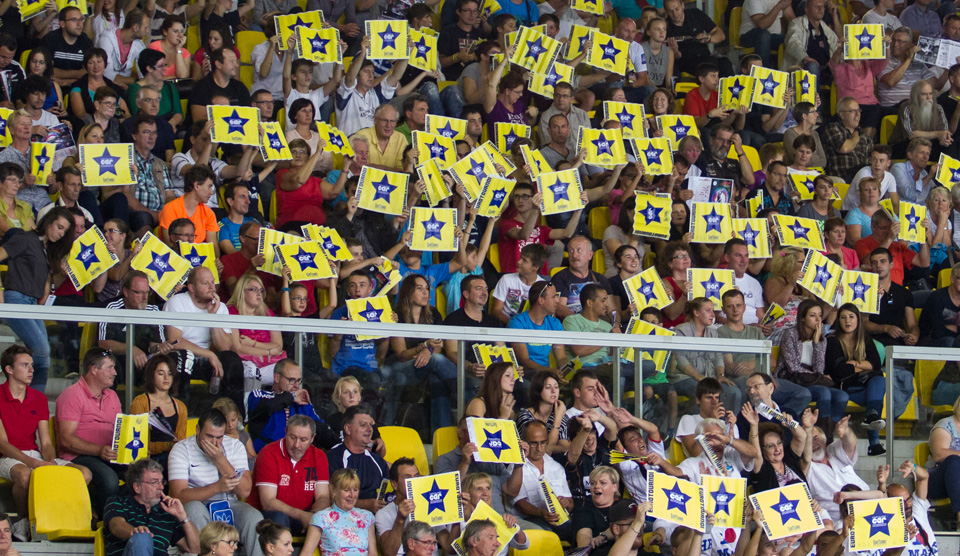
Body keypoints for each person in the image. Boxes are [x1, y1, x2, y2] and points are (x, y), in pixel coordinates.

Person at [0, 345, 91, 530]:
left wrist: (50, 461)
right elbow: (2, 444)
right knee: (25, 476)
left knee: (84, 473)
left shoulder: (39, 398)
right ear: (9, 370)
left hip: (34, 455)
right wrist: (33, 464)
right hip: (6, 457)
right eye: (25, 365)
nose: (32, 370)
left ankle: (62, 520)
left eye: (32, 365)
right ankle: (25, 522)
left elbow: (47, 442)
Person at [168, 408, 264, 556]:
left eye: (219, 437)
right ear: (198, 429)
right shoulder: (182, 449)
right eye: (209, 436)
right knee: (194, 509)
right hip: (199, 504)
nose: (214, 442)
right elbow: (178, 495)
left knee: (254, 518)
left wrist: (220, 460)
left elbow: (244, 490)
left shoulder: (235, 446)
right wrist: (217, 488)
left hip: (229, 505)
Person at [0, 207, 74, 394]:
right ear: (48, 222)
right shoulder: (25, 239)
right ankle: (33, 402)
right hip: (16, 300)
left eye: (64, 231)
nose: (61, 233)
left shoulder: (45, 249)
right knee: (41, 352)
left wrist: (62, 275)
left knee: (44, 356)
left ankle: (33, 402)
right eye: (59, 227)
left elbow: (47, 287)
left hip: (32, 304)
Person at [385, 274, 459, 429]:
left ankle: (439, 434)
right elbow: (402, 355)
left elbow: (437, 346)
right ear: (408, 291)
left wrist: (429, 350)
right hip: (399, 368)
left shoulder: (433, 314)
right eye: (420, 289)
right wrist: (424, 347)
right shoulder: (395, 315)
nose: (426, 293)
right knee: (436, 361)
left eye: (427, 288)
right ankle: (465, 391)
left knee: (437, 378)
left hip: (425, 366)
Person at [55, 349, 122, 517]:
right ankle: (108, 525)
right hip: (79, 456)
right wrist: (99, 450)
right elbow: (66, 440)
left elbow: (120, 431)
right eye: (110, 367)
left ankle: (126, 518)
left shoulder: (112, 396)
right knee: (109, 479)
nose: (114, 373)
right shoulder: (72, 395)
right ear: (94, 369)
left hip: (109, 454)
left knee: (144, 473)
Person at [247, 415, 331, 536]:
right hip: (270, 515)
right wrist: (301, 515)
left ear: (312, 438)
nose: (297, 445)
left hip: (304, 514)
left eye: (303, 440)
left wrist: (312, 516)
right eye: (292, 437)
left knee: (327, 519)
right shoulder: (269, 453)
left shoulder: (319, 456)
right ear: (286, 432)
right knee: (279, 519)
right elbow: (268, 502)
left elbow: (323, 496)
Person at [775, 299, 850, 429]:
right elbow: (792, 368)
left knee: (842, 395)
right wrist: (819, 377)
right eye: (812, 315)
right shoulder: (790, 334)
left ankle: (831, 430)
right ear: (803, 318)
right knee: (824, 392)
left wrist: (817, 343)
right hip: (792, 379)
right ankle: (824, 434)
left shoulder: (821, 339)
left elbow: (819, 369)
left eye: (820, 315)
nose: (818, 319)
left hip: (811, 380)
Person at [103, 458, 201, 556]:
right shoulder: (118, 502)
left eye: (161, 482)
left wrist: (182, 516)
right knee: (142, 537)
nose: (161, 487)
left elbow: (195, 549)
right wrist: (135, 532)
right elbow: (116, 525)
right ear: (137, 487)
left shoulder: (166, 513)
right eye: (154, 482)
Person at [246, 358, 337, 452]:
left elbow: (320, 428)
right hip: (266, 457)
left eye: (298, 380)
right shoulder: (258, 395)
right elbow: (269, 406)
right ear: (277, 378)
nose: (296, 385)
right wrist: (292, 396)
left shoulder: (302, 404)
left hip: (296, 459)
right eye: (291, 380)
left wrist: (339, 445)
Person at [806, 415, 879, 522]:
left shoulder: (833, 451)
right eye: (808, 441)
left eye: (816, 438)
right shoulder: (808, 467)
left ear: (824, 439)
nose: (813, 444)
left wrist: (846, 431)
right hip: (840, 519)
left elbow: (850, 444)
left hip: (868, 505)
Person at [673, 298, 741, 411]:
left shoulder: (713, 333)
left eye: (713, 311)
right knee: (703, 392)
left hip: (709, 378)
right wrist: (698, 376)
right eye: (708, 310)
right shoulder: (681, 330)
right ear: (696, 313)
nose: (713, 315)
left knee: (733, 392)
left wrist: (720, 375)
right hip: (684, 378)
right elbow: (680, 359)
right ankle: (700, 426)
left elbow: (718, 357)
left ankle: (726, 426)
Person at [513, 420, 574, 540]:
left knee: (576, 528)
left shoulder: (556, 467)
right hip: (526, 519)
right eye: (533, 443)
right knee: (547, 534)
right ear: (524, 442)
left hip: (557, 519)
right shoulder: (516, 467)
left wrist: (566, 503)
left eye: (543, 443)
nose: (539, 448)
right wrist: (541, 513)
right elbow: (519, 503)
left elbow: (570, 502)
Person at [299, 468, 379, 556]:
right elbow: (306, 553)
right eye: (346, 490)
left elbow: (373, 554)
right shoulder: (320, 518)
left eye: (355, 490)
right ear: (333, 490)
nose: (352, 495)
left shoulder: (367, 516)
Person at [226, 273, 285, 389]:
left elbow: (278, 346)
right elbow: (237, 348)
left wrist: (253, 344)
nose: (259, 294)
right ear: (242, 291)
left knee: (288, 372)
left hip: (270, 362)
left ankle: (284, 405)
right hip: (244, 363)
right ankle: (250, 405)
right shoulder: (231, 311)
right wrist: (268, 351)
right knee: (251, 371)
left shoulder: (267, 312)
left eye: (261, 290)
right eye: (253, 290)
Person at [337, 37, 403, 138]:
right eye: (366, 71)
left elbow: (395, 76)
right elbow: (350, 78)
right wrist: (363, 52)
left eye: (372, 72)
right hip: (351, 144)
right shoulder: (346, 93)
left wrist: (407, 54)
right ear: (357, 76)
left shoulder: (376, 93)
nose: (371, 75)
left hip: (372, 146)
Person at [129, 355, 188, 465]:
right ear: (151, 376)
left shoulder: (180, 406)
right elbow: (137, 443)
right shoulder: (140, 402)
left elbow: (180, 441)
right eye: (161, 373)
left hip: (172, 457)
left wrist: (174, 446)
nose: (166, 378)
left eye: (170, 374)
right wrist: (167, 445)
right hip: (147, 459)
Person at [878, 27, 946, 114]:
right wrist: (909, 59)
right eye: (893, 40)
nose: (895, 45)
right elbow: (890, 82)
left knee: (940, 108)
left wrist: (948, 68)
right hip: (892, 109)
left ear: (909, 45)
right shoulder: (884, 61)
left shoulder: (918, 64)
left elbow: (936, 85)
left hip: (915, 109)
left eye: (900, 42)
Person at [507, 281, 568, 374]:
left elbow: (561, 357)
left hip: (546, 375)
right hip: (523, 374)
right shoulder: (518, 323)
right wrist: (551, 372)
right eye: (553, 297)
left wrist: (567, 371)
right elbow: (524, 361)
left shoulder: (555, 323)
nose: (557, 300)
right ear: (540, 300)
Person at [854, 211, 930, 286]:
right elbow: (868, 262)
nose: (888, 231)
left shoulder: (897, 246)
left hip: (897, 290)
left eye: (891, 228)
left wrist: (923, 238)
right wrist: (890, 238)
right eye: (884, 228)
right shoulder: (862, 243)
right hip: (875, 289)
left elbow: (923, 262)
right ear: (873, 227)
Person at [663, 0, 730, 77]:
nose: (675, 14)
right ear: (666, 12)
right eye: (671, 11)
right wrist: (675, 52)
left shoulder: (695, 14)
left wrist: (708, 38)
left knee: (725, 63)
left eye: (677, 9)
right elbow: (671, 59)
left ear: (682, 6)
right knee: (707, 67)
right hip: (685, 62)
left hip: (705, 57)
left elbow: (721, 35)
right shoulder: (665, 27)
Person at [750, 410, 812, 492]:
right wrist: (754, 425)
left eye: (779, 443)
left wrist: (791, 423)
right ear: (762, 449)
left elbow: (802, 436)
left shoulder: (788, 459)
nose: (777, 449)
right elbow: (755, 453)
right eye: (771, 446)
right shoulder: (763, 469)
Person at [889, 79, 953, 158]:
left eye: (930, 94)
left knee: (950, 146)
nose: (928, 97)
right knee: (917, 143)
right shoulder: (906, 107)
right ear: (916, 96)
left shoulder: (938, 108)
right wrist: (937, 134)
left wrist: (944, 138)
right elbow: (911, 134)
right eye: (924, 94)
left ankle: (942, 170)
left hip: (929, 143)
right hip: (904, 144)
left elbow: (944, 131)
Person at [159, 165, 220, 246]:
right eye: (209, 186)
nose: (212, 192)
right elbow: (170, 245)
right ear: (196, 186)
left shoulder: (209, 213)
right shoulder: (170, 209)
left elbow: (213, 247)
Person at [128, 48, 184, 131]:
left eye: (165, 65)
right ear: (149, 68)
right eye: (161, 66)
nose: (165, 69)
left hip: (169, 127)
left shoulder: (169, 87)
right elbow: (137, 115)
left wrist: (171, 123)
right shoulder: (135, 89)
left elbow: (178, 113)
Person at [821, 97, 875, 183]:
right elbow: (844, 148)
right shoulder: (833, 128)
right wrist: (856, 135)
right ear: (842, 115)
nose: (857, 114)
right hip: (843, 177)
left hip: (862, 176)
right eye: (853, 111)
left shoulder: (865, 138)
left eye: (859, 111)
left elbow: (872, 159)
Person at [42, 6, 94, 87]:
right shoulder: (50, 39)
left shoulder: (86, 42)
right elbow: (46, 71)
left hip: (79, 88)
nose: (79, 23)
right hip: (52, 87)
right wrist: (78, 74)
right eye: (74, 19)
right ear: (62, 24)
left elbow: (89, 73)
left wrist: (64, 82)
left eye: (81, 19)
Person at [96, 10, 149, 87]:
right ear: (135, 28)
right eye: (145, 28)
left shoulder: (139, 44)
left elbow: (142, 72)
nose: (147, 31)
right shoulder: (106, 39)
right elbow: (106, 73)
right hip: (103, 85)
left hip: (126, 87)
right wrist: (135, 81)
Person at [920, 262, 960, 346]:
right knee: (951, 341)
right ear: (952, 279)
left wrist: (956, 329)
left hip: (954, 339)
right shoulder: (937, 297)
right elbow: (938, 331)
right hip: (930, 340)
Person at [894, 137, 938, 205]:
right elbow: (908, 194)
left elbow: (936, 192)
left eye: (927, 154)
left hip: (922, 214)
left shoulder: (924, 173)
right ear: (910, 155)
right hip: (901, 213)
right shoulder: (898, 168)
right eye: (921, 152)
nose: (925, 157)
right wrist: (929, 176)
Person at [147, 14, 190, 79]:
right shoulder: (154, 48)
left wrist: (178, 49)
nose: (180, 35)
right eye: (175, 31)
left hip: (176, 88)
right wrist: (174, 77)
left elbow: (182, 76)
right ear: (165, 32)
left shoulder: (185, 53)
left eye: (182, 31)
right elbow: (153, 76)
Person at [0, 162, 33, 234]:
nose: (17, 185)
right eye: (12, 180)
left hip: (26, 243)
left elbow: (33, 232)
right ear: (0, 182)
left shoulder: (25, 206)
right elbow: (7, 231)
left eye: (20, 182)